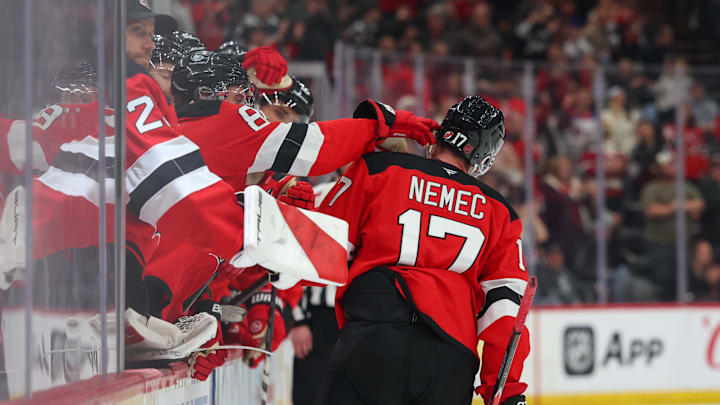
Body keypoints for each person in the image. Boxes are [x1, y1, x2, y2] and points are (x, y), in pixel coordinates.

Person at [315, 97, 530, 405]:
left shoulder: (378, 170)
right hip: (449, 360)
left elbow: (319, 248)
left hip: (373, 338)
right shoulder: (501, 213)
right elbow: (505, 311)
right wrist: (506, 391)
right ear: (484, 157)